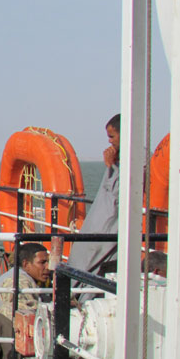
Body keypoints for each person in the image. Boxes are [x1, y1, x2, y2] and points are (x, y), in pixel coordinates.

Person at [67, 114, 120, 276]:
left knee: (93, 259)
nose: (109, 141)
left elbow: (118, 193)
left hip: (109, 226)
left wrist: (111, 167)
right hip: (102, 224)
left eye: (112, 136)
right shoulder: (120, 159)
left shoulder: (137, 159)